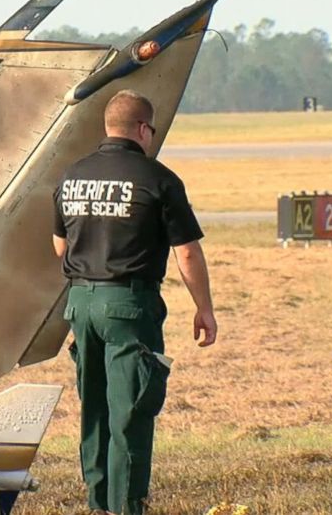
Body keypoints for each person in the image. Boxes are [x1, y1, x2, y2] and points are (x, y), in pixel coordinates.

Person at [52, 89, 218, 515]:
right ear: (143, 129)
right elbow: (186, 252)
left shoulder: (72, 175)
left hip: (81, 303)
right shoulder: (158, 179)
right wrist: (204, 308)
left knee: (95, 411)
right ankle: (127, 507)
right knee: (131, 410)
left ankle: (98, 503)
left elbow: (58, 244)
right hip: (129, 304)